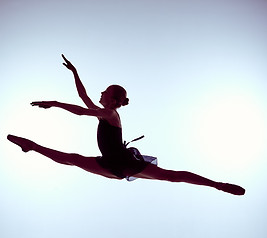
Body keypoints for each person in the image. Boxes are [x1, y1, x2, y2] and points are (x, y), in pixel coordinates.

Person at [7, 54, 245, 196]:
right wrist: (75, 72)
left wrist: (55, 103)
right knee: (71, 159)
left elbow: (81, 110)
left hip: (123, 162)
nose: (100, 92)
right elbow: (83, 98)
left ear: (113, 99)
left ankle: (217, 184)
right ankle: (31, 146)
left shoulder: (110, 114)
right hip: (109, 164)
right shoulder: (103, 112)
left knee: (171, 176)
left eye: (105, 91)